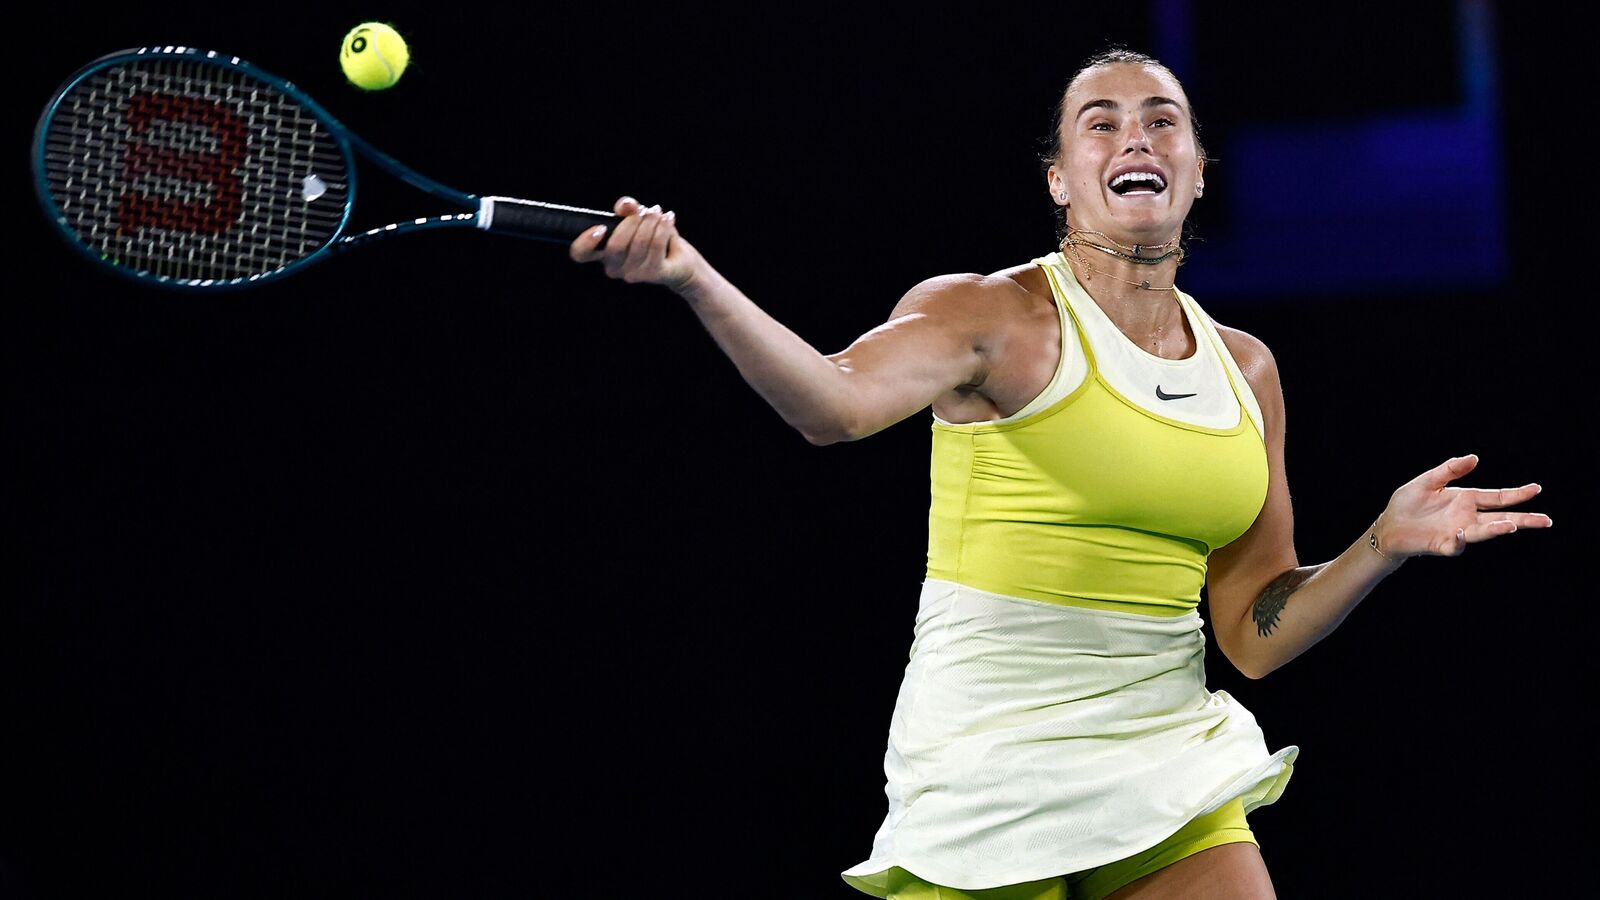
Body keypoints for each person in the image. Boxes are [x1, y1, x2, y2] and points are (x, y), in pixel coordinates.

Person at [568, 47, 1551, 900]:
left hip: (1164, 763)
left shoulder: (1244, 369)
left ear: (1198, 172)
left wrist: (1380, 542)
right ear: (1058, 179)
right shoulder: (992, 318)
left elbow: (1252, 631)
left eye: (1162, 121)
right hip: (989, 779)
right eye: (1102, 123)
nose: (1136, 138)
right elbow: (833, 404)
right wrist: (692, 277)